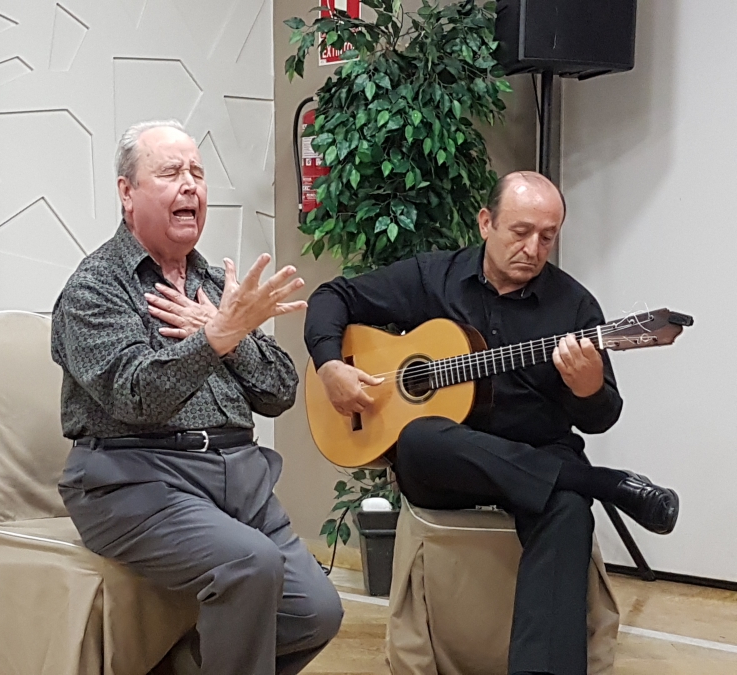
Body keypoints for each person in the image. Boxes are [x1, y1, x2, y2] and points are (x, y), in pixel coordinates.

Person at [303, 171, 679, 675]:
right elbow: (332, 296)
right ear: (486, 222)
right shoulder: (432, 277)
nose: (533, 248)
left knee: (569, 511)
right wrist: (330, 364)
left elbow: (602, 417)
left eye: (547, 237)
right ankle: (602, 483)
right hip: (449, 463)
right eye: (520, 232)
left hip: (539, 451)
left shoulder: (574, 306)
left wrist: (588, 387)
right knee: (418, 438)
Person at [52, 120, 343, 675]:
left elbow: (280, 390)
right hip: (134, 480)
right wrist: (214, 339)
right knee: (250, 564)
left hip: (240, 477)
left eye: (198, 173)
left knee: (316, 612)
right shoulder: (95, 286)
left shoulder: (214, 285)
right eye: (170, 173)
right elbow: (136, 396)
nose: (190, 185)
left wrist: (229, 338)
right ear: (127, 193)